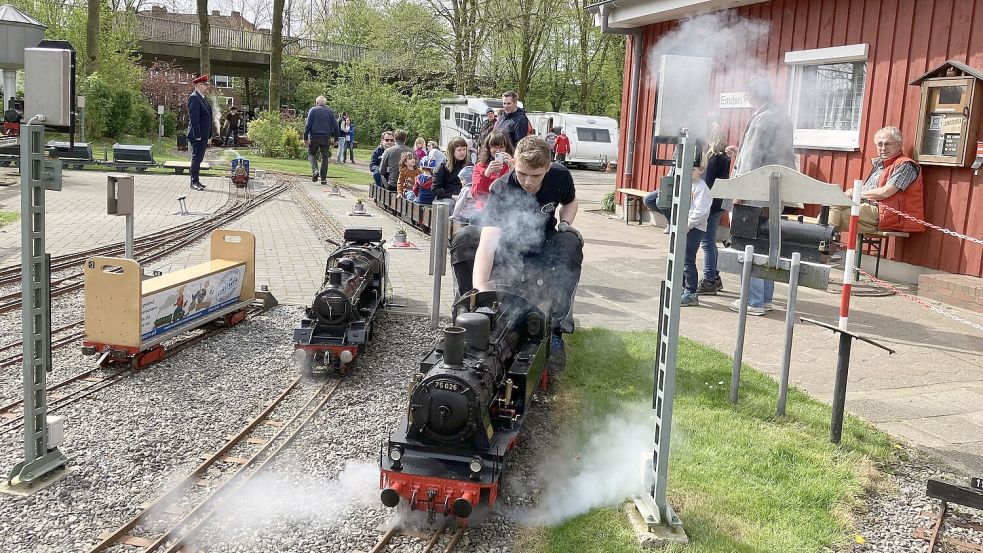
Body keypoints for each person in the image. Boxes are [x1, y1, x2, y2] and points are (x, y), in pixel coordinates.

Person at [450, 136, 582, 372]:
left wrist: (565, 222)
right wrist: (481, 290)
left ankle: (555, 330)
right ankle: (467, 310)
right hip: (507, 248)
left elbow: (570, 202)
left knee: (570, 241)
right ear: (514, 164)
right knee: (465, 238)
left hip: (543, 245)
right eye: (522, 174)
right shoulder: (501, 188)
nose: (528, 182)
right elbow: (488, 244)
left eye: (536, 176)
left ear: (548, 168)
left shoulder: (561, 176)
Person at [728, 76, 795, 316]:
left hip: (754, 193)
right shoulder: (781, 117)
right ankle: (765, 298)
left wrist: (739, 193)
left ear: (752, 95)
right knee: (767, 246)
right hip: (775, 193)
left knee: (749, 245)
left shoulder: (761, 120)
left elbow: (751, 160)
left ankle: (753, 301)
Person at [828, 126, 924, 235]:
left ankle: (824, 242)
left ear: (899, 145)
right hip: (868, 207)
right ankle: (822, 241)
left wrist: (857, 193)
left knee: (837, 216)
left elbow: (885, 192)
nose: (883, 148)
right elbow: (869, 190)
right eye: (880, 144)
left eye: (887, 144)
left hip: (886, 214)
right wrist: (851, 192)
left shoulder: (905, 165)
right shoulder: (881, 165)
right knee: (830, 204)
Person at [696, 124, 732, 296]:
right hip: (719, 204)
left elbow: (707, 183)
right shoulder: (725, 156)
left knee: (707, 242)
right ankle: (715, 277)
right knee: (711, 242)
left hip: (710, 204)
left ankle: (709, 279)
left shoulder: (712, 158)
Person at [681, 162, 712, 306]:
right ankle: (681, 287)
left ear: (701, 170)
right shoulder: (687, 184)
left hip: (695, 228)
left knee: (688, 259)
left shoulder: (701, 188)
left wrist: (689, 224)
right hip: (685, 226)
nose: (689, 171)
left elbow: (701, 210)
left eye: (692, 169)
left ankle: (691, 292)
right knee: (680, 258)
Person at [303, 96, 340, 185]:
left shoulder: (313, 110)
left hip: (314, 136)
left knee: (311, 154)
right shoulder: (330, 111)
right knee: (325, 157)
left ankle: (315, 170)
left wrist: (305, 138)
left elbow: (308, 125)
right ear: (325, 103)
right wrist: (336, 139)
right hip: (325, 137)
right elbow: (336, 126)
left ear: (316, 103)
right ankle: (323, 179)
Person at [472, 129, 514, 204]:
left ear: (506, 148)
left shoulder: (512, 165)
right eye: (494, 147)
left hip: (506, 207)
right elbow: (476, 195)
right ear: (489, 148)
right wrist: (486, 174)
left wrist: (512, 169)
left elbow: (517, 192)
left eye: (501, 147)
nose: (498, 151)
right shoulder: (479, 166)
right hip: (485, 208)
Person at [187, 75, 213, 191]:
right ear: (198, 85)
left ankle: (196, 180)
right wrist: (197, 135)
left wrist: (209, 135)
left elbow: (208, 118)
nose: (207, 88)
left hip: (203, 135)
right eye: (205, 85)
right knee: (196, 158)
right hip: (198, 135)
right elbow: (194, 119)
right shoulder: (194, 98)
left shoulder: (201, 98)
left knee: (199, 158)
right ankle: (194, 182)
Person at [432, 137, 472, 206]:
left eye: (464, 149)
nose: (462, 152)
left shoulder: (469, 166)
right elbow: (435, 189)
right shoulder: (442, 167)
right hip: (449, 198)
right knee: (451, 205)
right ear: (452, 151)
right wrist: (451, 196)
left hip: (467, 197)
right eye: (459, 150)